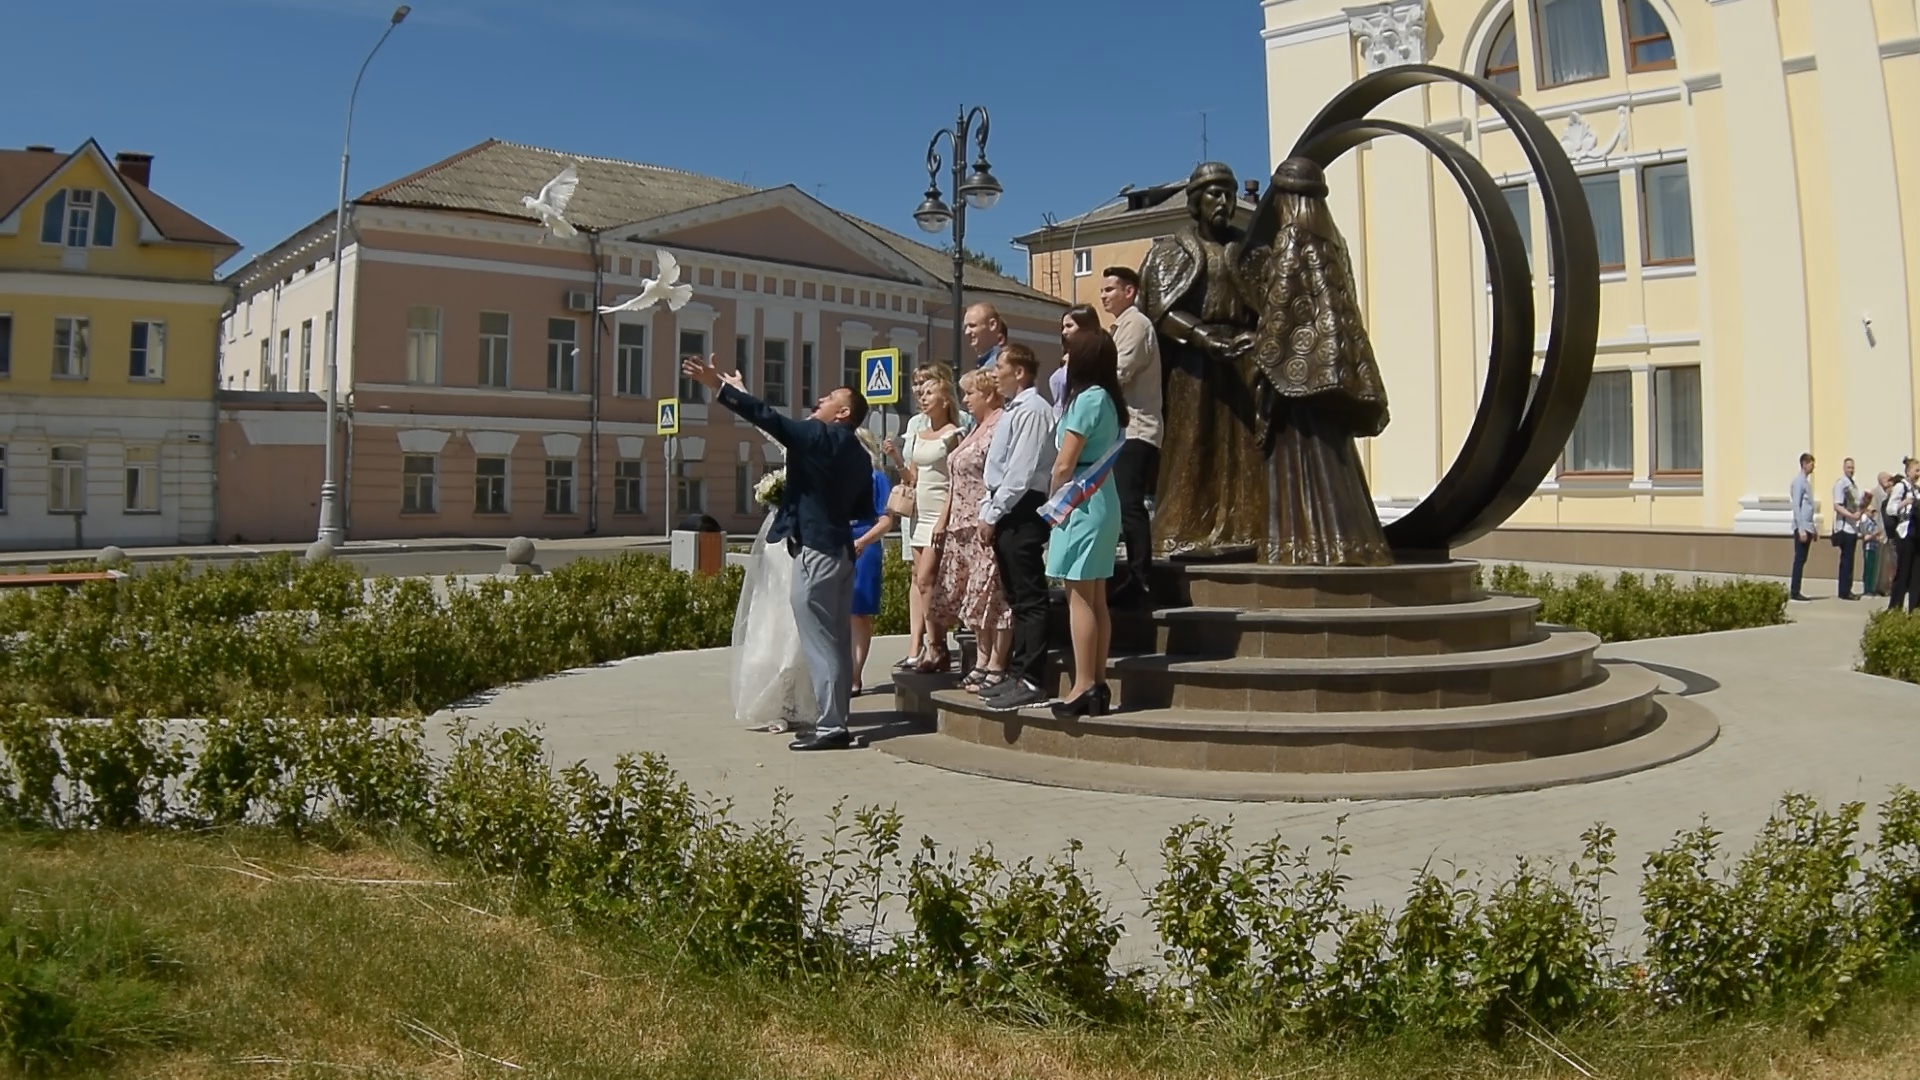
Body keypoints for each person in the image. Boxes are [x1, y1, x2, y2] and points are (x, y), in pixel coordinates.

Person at [681, 353, 872, 752]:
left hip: (816, 553)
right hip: (840, 552)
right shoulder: (858, 453)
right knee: (834, 640)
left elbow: (769, 419)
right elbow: (860, 509)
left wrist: (720, 388)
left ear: (844, 412)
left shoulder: (817, 436)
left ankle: (831, 726)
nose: (820, 399)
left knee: (819, 643)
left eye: (830, 397)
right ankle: (834, 720)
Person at [1235, 156, 1393, 566]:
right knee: (1333, 462)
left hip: (1294, 378)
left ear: (1286, 198)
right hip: (1328, 374)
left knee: (1297, 465)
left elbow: (1281, 306)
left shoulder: (1291, 237)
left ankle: (1305, 546)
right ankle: (1350, 543)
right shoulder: (1332, 241)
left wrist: (1258, 351)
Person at [1138, 161, 1270, 560]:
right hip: (1192, 363)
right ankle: (1181, 528)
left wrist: (1255, 335)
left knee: (1242, 448)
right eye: (1215, 193)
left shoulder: (1247, 251)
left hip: (1240, 357)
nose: (1224, 202)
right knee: (1193, 443)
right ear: (1195, 202)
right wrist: (1200, 335)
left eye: (1229, 194)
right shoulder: (1171, 251)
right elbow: (1159, 309)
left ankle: (1246, 527)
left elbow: (1268, 307)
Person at [1046, 328, 1129, 718]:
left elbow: (1065, 462)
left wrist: (1052, 497)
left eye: (1069, 353)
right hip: (1103, 497)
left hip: (1079, 501)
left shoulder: (1085, 400)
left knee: (1078, 597)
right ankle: (1097, 681)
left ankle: (1081, 684)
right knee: (1097, 598)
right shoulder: (1111, 400)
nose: (1063, 359)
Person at [976, 342, 1058, 712]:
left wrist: (993, 513)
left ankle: (1032, 677)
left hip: (1022, 506)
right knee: (1015, 595)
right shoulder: (1013, 409)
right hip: (1006, 504)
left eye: (1000, 368)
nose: (994, 374)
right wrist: (989, 508)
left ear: (1019, 372)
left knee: (1029, 595)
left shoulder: (1034, 410)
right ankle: (1018, 671)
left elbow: (1021, 471)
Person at [931, 367, 1014, 694]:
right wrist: (945, 518)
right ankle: (981, 660)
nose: (964, 399)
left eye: (970, 393)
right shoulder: (974, 429)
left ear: (988, 395)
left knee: (993, 595)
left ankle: (997, 661)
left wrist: (991, 518)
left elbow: (1000, 475)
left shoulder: (999, 426)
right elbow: (954, 479)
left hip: (983, 522)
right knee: (972, 598)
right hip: (961, 526)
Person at [884, 367, 963, 673]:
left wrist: (944, 519)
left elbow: (957, 481)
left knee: (929, 579)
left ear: (945, 400)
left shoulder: (954, 434)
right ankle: (935, 646)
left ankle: (938, 646)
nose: (922, 397)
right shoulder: (918, 433)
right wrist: (897, 459)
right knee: (919, 579)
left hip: (939, 515)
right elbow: (913, 477)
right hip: (918, 515)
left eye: (930, 393)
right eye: (921, 393)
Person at [728, 470, 817, 733]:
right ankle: (774, 705)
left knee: (795, 641)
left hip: (799, 552)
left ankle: (795, 703)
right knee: (772, 635)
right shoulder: (776, 530)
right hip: (780, 558)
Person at [1101, 266, 1163, 603]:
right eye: (1103, 289)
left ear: (1130, 291)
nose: (1103, 295)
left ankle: (1141, 579)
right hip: (1124, 430)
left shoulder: (1136, 325)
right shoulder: (1120, 327)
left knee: (1129, 504)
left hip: (1137, 429)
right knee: (1123, 505)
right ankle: (1132, 577)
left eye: (1111, 289)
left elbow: (1119, 373)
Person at [849, 428, 895, 696]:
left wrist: (863, 542)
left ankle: (855, 676)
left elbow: (886, 520)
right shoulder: (838, 478)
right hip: (837, 543)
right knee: (836, 613)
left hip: (864, 546)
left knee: (858, 612)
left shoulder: (877, 478)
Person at [1051, 305, 1101, 418]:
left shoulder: (1096, 357)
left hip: (1080, 416)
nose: (1064, 332)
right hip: (1059, 417)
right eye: (1063, 327)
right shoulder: (1066, 354)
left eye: (1069, 326)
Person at [1888, 459, 1920, 612]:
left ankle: (1914, 609)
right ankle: (1895, 607)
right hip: (1905, 533)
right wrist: (1904, 503)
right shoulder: (1901, 487)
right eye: (1916, 470)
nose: (1918, 474)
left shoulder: (1916, 489)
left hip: (1917, 535)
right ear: (1908, 471)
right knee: (1903, 572)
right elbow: (1890, 509)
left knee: (1916, 574)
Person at [1833, 457, 1863, 601]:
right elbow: (1837, 506)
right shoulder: (1841, 484)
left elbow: (1856, 504)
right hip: (1845, 527)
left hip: (1853, 527)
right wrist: (1851, 515)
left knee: (1849, 560)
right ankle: (1844, 591)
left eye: (1852, 467)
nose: (1851, 470)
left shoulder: (1852, 485)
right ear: (1844, 468)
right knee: (1846, 560)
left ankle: (1847, 589)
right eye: (1848, 467)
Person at [1789, 452, 1815, 602]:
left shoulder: (1805, 482)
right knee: (1799, 559)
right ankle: (1795, 590)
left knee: (1802, 559)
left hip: (1808, 526)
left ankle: (1796, 589)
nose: (1813, 467)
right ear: (1804, 464)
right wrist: (1801, 528)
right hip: (1802, 527)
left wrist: (1814, 528)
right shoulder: (1799, 482)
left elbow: (1808, 507)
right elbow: (1797, 506)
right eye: (1811, 464)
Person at [964, 302, 1008, 369]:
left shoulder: (1000, 365)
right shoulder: (986, 364)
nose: (967, 332)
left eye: (972, 326)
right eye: (965, 327)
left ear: (992, 325)